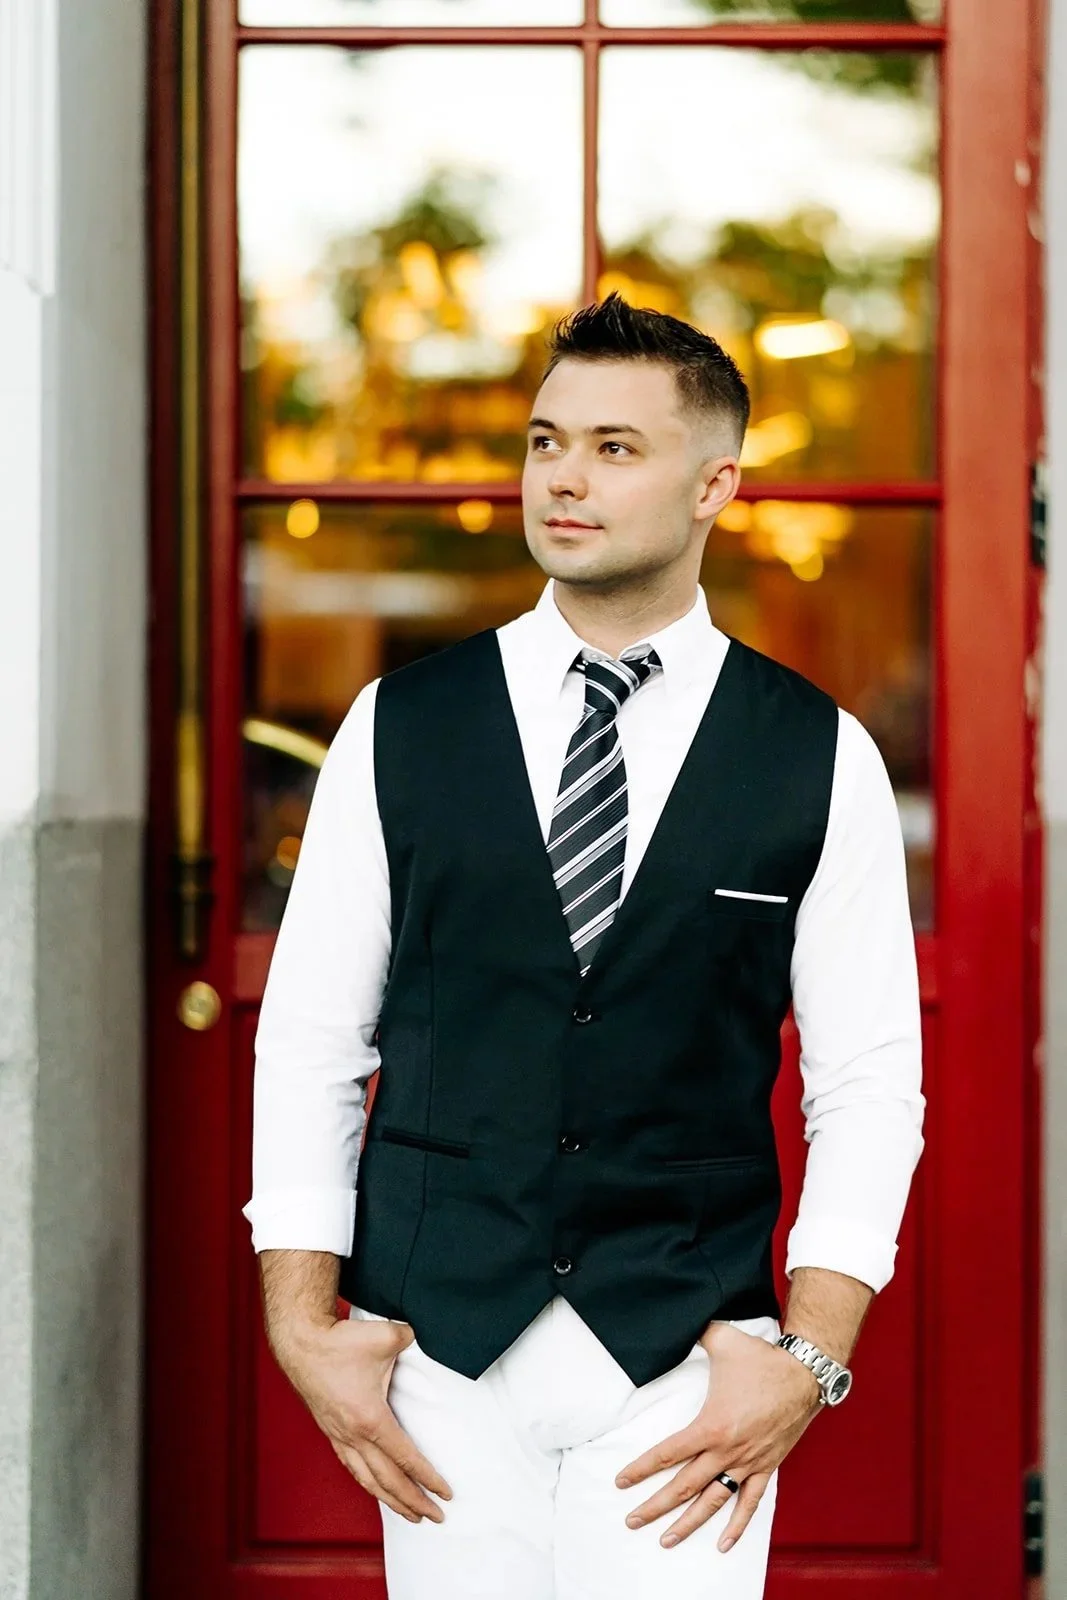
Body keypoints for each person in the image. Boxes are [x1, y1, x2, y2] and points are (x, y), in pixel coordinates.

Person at [243, 293, 925, 1600]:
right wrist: (301, 1325)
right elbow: (314, 1039)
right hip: (438, 1355)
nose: (563, 474)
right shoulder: (402, 723)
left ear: (713, 482)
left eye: (616, 447)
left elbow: (867, 1080)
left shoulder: (813, 752)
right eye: (547, 440)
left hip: (682, 1363)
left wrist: (810, 1353)